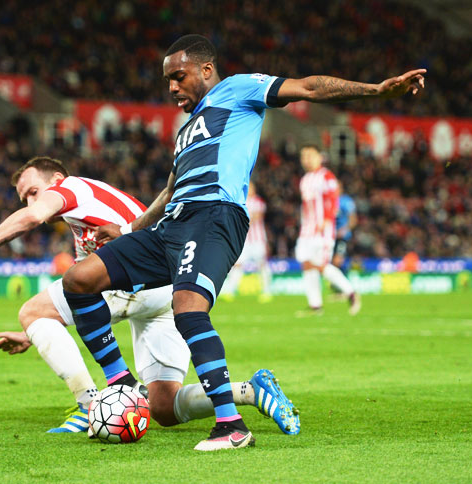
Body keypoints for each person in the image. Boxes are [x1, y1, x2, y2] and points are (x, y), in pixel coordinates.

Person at [61, 34, 426, 451]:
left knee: (188, 310)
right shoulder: (186, 132)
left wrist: (377, 90)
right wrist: (129, 232)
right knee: (80, 279)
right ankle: (123, 384)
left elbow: (308, 87)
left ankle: (231, 426)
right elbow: (171, 188)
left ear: (206, 70)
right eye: (167, 81)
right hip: (169, 227)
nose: (172, 88)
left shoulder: (237, 89)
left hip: (214, 216)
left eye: (178, 77)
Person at [0, 156, 295, 435]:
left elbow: (33, 219)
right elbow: (86, 295)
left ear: (55, 182)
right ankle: (250, 391)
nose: (32, 201)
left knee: (32, 311)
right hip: (165, 290)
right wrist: (43, 331)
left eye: (33, 191)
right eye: (24, 196)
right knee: (164, 409)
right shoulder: (92, 209)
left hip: (137, 281)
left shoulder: (72, 188)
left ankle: (90, 405)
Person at [295, 146, 360, 316]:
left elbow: (333, 199)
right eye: (303, 156)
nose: (306, 159)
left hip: (323, 229)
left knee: (320, 264)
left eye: (310, 155)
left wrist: (327, 219)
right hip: (307, 230)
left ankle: (350, 292)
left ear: (319, 157)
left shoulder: (326, 176)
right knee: (306, 264)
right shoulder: (305, 179)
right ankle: (315, 305)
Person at [220, 181, 272, 302]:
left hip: (258, 240)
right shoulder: (240, 201)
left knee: (262, 265)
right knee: (237, 264)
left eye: (251, 187)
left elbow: (257, 217)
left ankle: (267, 291)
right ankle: (231, 290)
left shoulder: (258, 202)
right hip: (244, 240)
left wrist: (242, 221)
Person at [333, 182, 357, 271]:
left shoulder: (346, 201)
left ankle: (342, 282)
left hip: (342, 237)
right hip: (330, 237)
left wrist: (344, 230)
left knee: (337, 260)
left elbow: (353, 220)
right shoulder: (328, 201)